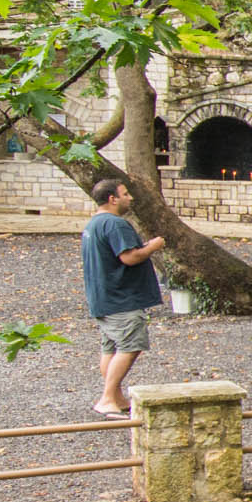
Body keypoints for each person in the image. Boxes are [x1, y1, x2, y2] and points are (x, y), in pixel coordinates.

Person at [82, 178, 166, 417]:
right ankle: (107, 398)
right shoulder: (115, 224)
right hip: (121, 299)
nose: (131, 198)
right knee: (130, 346)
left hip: (102, 298)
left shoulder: (93, 224)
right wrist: (154, 246)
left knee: (110, 348)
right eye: (126, 194)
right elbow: (129, 257)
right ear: (112, 199)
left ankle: (116, 397)